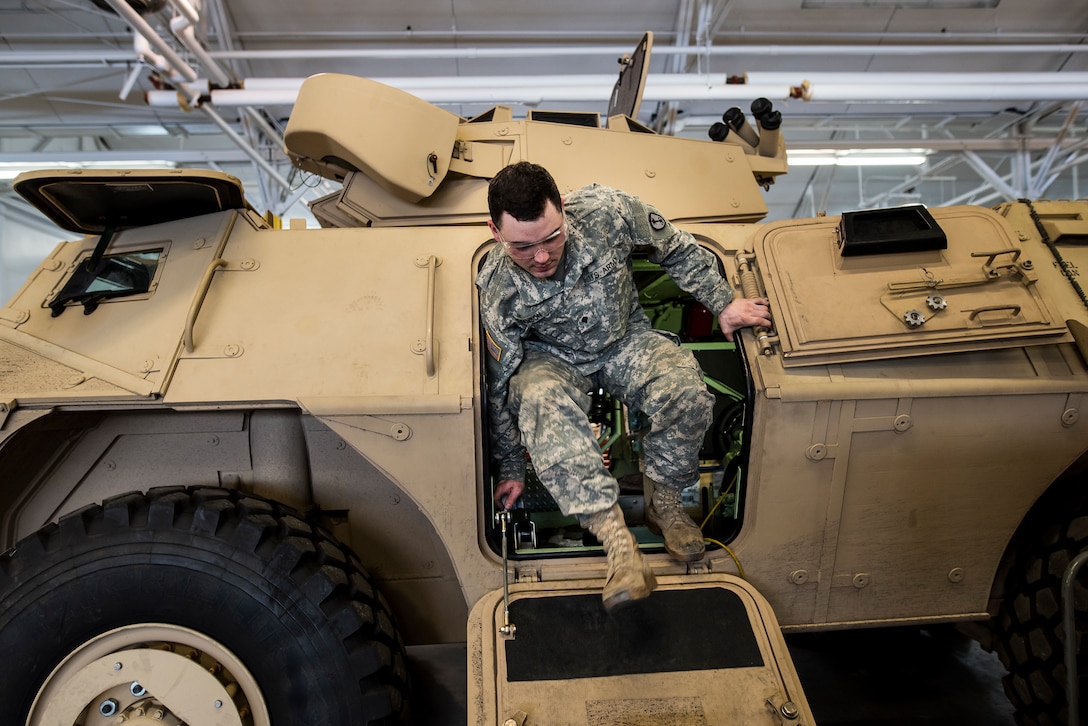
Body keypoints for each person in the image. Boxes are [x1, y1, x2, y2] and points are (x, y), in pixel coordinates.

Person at [476, 161, 772, 612]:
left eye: (552, 237)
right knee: (534, 396)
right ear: (495, 232)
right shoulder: (498, 289)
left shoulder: (606, 212)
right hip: (551, 360)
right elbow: (499, 384)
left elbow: (672, 246)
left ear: (564, 213)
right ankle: (620, 548)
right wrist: (511, 464)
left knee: (686, 390)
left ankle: (665, 503)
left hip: (623, 341)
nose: (541, 256)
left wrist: (724, 302)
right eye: (522, 246)